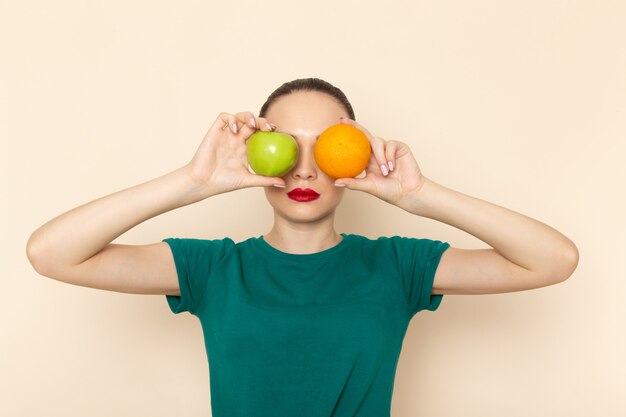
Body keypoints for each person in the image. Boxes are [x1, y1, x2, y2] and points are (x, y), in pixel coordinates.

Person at [26, 77, 579, 416]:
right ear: (260, 151)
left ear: (357, 154)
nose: (307, 166)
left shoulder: (396, 265)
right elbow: (51, 252)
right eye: (287, 145)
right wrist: (192, 182)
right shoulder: (215, 268)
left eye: (329, 146)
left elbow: (554, 259)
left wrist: (420, 195)